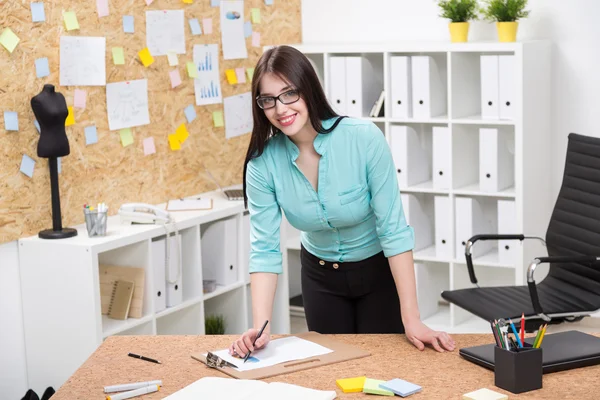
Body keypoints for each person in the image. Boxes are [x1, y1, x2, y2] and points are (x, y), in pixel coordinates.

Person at [230, 45, 455, 359]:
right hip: (320, 279)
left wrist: (412, 318)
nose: (281, 109)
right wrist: (261, 325)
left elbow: (394, 231)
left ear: (308, 88)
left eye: (289, 93)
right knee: (333, 372)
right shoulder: (262, 164)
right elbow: (265, 249)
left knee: (386, 369)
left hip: (377, 274)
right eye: (268, 100)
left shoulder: (363, 138)